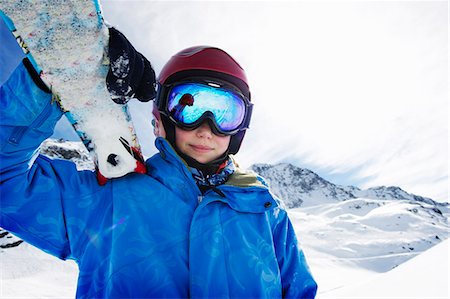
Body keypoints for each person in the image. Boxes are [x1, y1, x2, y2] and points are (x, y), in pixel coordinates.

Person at [0, 22, 318, 298]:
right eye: (189, 106)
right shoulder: (105, 200)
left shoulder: (266, 211)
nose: (207, 128)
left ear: (241, 126)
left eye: (225, 113)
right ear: (161, 117)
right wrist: (50, 79)